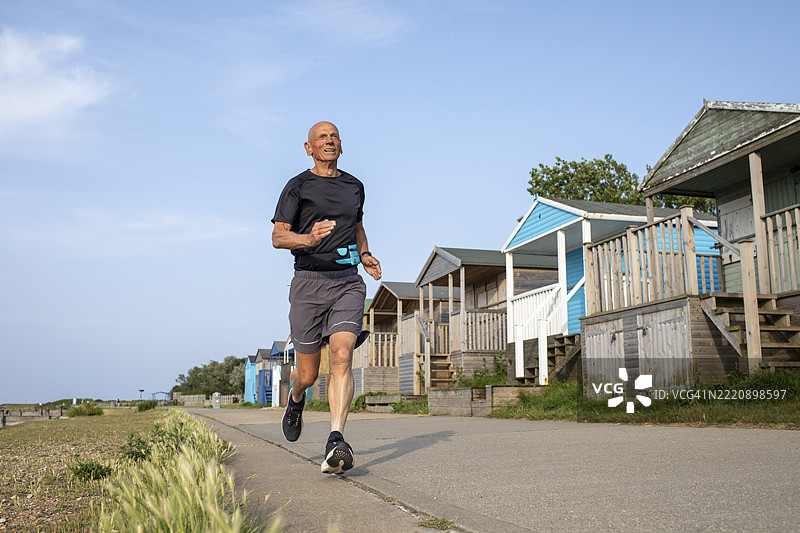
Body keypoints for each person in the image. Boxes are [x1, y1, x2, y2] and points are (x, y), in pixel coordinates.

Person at [271, 121, 381, 474]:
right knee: (308, 374)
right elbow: (278, 237)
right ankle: (297, 397)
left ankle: (336, 440)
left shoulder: (354, 186)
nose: (329, 141)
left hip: (347, 281)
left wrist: (364, 254)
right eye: (322, 137)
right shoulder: (297, 186)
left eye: (334, 136)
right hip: (308, 282)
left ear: (341, 146)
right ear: (309, 148)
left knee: (342, 354)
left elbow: (357, 225)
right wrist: (308, 239)